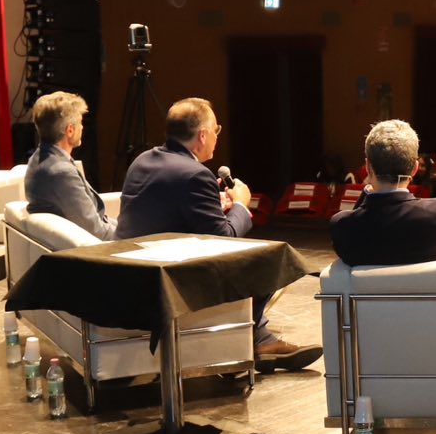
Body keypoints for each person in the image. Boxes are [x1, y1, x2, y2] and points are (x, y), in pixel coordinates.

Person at [120, 98, 321, 372]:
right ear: (202, 135)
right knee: (272, 258)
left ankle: (260, 338)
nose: (217, 136)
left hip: (135, 267)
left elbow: (170, 210)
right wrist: (241, 205)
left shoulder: (143, 160)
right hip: (167, 279)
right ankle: (259, 341)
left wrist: (211, 204)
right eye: (216, 130)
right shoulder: (194, 174)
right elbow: (223, 237)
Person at [331, 119, 436, 266]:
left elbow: (355, 224)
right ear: (415, 168)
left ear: (368, 167)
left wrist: (367, 192)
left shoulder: (342, 225)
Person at [23, 91, 116, 239]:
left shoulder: (37, 159)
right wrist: (132, 233)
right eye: (80, 123)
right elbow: (96, 231)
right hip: (97, 248)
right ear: (70, 130)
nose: (82, 127)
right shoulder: (61, 173)